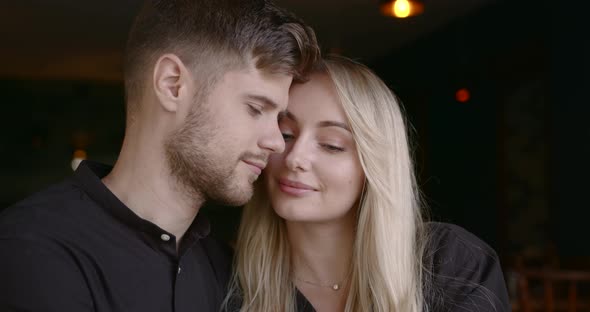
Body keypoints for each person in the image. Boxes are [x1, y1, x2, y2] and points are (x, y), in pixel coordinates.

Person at [0, 1, 319, 311]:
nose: (277, 142)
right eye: (255, 108)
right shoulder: (33, 250)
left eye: (278, 119)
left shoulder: (233, 278)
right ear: (172, 84)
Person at [225, 55, 511, 312]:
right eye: (286, 135)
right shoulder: (228, 284)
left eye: (331, 145)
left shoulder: (452, 264)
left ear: (375, 165)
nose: (295, 158)